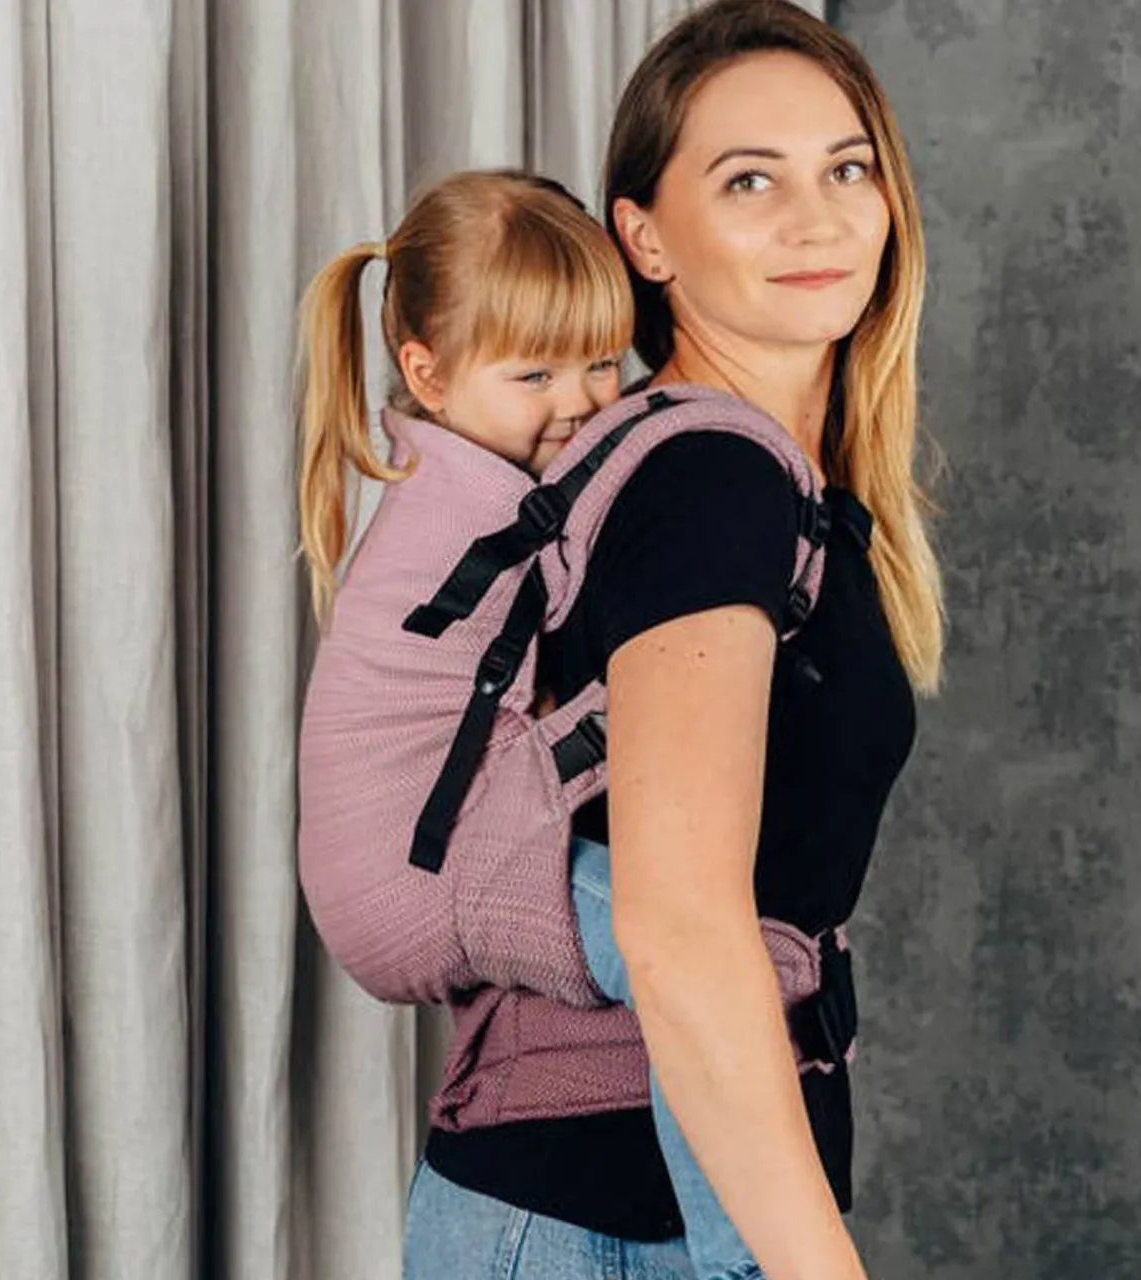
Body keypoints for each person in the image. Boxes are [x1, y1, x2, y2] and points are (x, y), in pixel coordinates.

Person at [401, 2, 946, 1279]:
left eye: (845, 168)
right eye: (748, 180)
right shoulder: (708, 480)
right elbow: (682, 932)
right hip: (600, 1227)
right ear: (642, 235)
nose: (815, 218)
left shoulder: (761, 479)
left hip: (624, 1211)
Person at [296, 167, 820, 1280]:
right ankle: (744, 1259)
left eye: (598, 362)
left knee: (720, 967)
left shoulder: (449, 469)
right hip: (424, 870)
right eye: (533, 373)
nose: (580, 402)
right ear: (427, 374)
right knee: (716, 970)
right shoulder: (479, 504)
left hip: (407, 862)